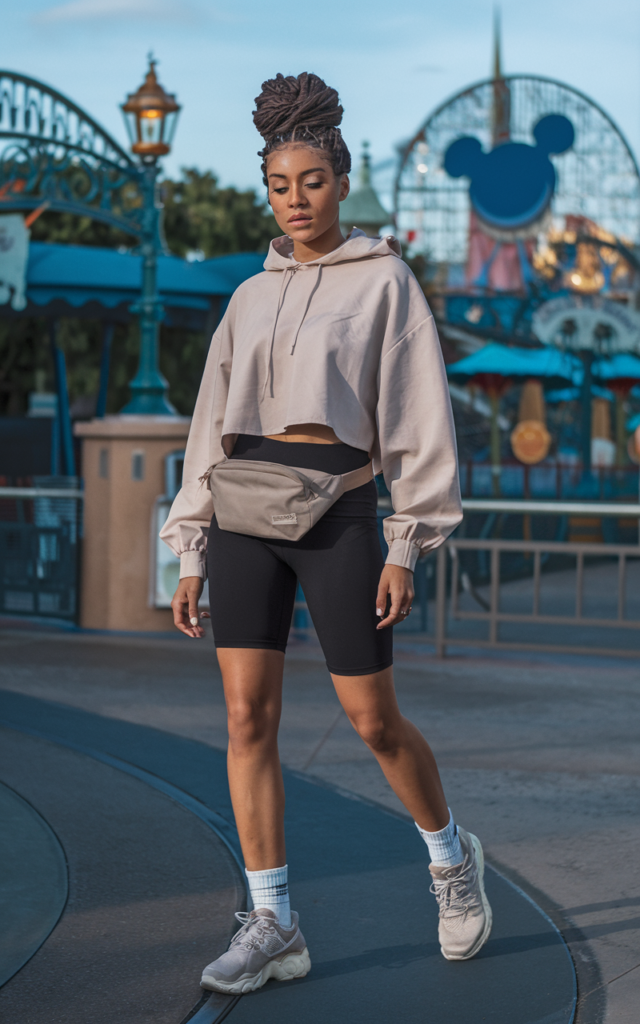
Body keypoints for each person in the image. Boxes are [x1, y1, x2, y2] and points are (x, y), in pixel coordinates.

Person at [161, 71, 491, 996]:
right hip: (241, 514)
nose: (294, 200)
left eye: (310, 181)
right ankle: (275, 922)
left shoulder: (386, 282)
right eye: (278, 185)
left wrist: (405, 541)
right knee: (244, 717)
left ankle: (452, 860)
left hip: (340, 509)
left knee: (372, 720)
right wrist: (188, 546)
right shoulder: (247, 298)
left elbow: (421, 419)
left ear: (340, 180)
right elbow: (208, 425)